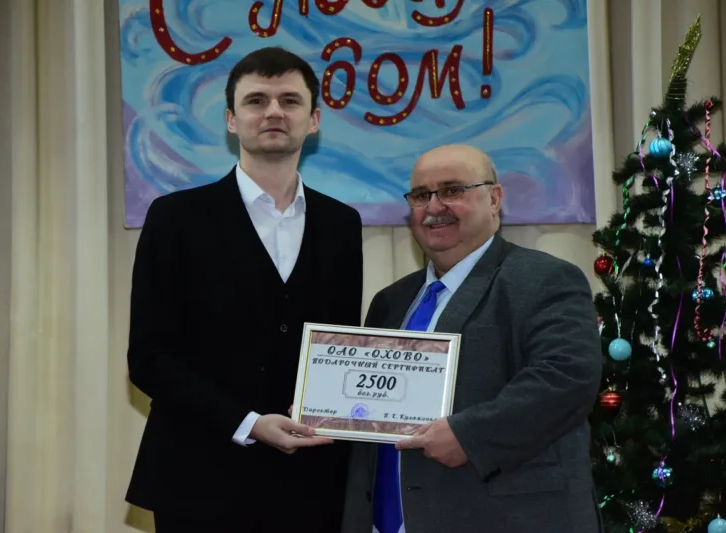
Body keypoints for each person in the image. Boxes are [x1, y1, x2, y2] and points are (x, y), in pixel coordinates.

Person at [124, 46, 364, 533]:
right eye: (256, 100)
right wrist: (249, 422)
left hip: (311, 482)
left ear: (314, 120)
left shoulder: (342, 223)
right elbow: (149, 357)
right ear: (232, 121)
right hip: (198, 477)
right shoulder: (175, 218)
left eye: (290, 101)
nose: (274, 111)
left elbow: (337, 346)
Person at [341, 144, 603, 533]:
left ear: (494, 199)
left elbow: (566, 377)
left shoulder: (543, 278)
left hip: (504, 519)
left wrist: (469, 435)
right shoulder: (390, 301)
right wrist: (326, 409)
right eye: (421, 195)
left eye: (452, 190)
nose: (434, 207)